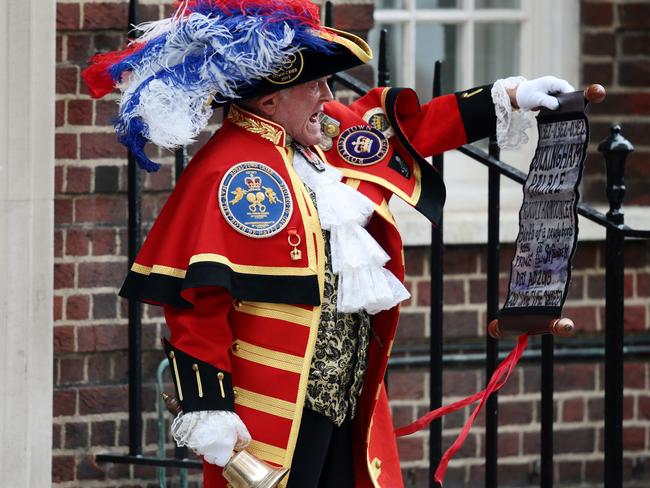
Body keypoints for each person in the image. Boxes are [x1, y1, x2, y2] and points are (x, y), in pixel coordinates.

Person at [82, 1, 574, 486]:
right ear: (270, 99)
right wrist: (208, 406)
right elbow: (196, 306)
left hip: (349, 395)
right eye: (313, 84)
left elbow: (407, 130)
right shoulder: (228, 170)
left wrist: (504, 99)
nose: (327, 94)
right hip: (274, 413)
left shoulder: (320, 131)